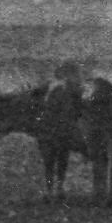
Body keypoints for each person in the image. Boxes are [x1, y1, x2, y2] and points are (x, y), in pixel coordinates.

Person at [39, 61, 84, 203]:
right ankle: (52, 188)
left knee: (59, 159)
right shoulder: (53, 87)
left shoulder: (70, 88)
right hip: (53, 126)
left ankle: (57, 188)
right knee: (51, 160)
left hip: (60, 127)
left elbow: (75, 108)